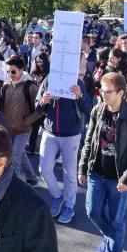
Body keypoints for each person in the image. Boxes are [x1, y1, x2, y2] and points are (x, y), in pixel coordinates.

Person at [78, 72, 127, 252]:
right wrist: (82, 167)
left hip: (119, 178)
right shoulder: (97, 110)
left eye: (107, 92)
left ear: (120, 92)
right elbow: (89, 140)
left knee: (116, 221)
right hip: (96, 173)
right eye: (101, 90)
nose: (102, 95)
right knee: (92, 211)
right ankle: (111, 241)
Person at [35, 55, 92, 224]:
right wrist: (43, 101)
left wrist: (80, 95)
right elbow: (37, 106)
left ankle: (69, 205)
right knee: (44, 169)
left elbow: (88, 108)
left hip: (71, 134)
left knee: (70, 174)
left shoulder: (77, 82)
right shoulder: (48, 79)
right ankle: (57, 196)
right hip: (50, 132)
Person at [0, 55, 41, 184]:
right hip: (9, 129)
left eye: (13, 71)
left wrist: (27, 121)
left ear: (22, 69)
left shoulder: (30, 87)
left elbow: (40, 109)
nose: (10, 74)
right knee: (20, 154)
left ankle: (16, 189)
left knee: (14, 159)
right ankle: (32, 178)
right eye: (8, 71)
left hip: (23, 130)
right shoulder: (6, 85)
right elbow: (1, 105)